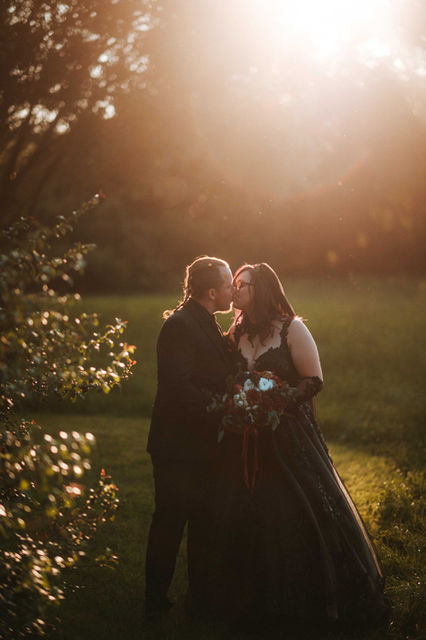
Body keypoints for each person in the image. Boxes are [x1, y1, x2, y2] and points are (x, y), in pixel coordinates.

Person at [196, 262, 388, 632]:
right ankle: (243, 596)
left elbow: (314, 381)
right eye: (233, 284)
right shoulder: (236, 331)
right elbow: (228, 376)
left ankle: (302, 596)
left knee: (289, 510)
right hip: (245, 436)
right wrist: (242, 400)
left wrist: (277, 398)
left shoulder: (292, 329)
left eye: (243, 284)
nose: (235, 290)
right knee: (242, 510)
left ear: (262, 289)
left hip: (287, 437)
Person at [145, 256, 233, 622]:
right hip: (179, 446)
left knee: (204, 523)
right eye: (229, 285)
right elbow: (177, 386)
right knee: (170, 523)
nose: (232, 291)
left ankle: (201, 599)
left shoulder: (209, 323)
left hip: (203, 445)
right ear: (212, 292)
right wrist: (223, 410)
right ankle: (154, 602)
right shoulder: (181, 325)